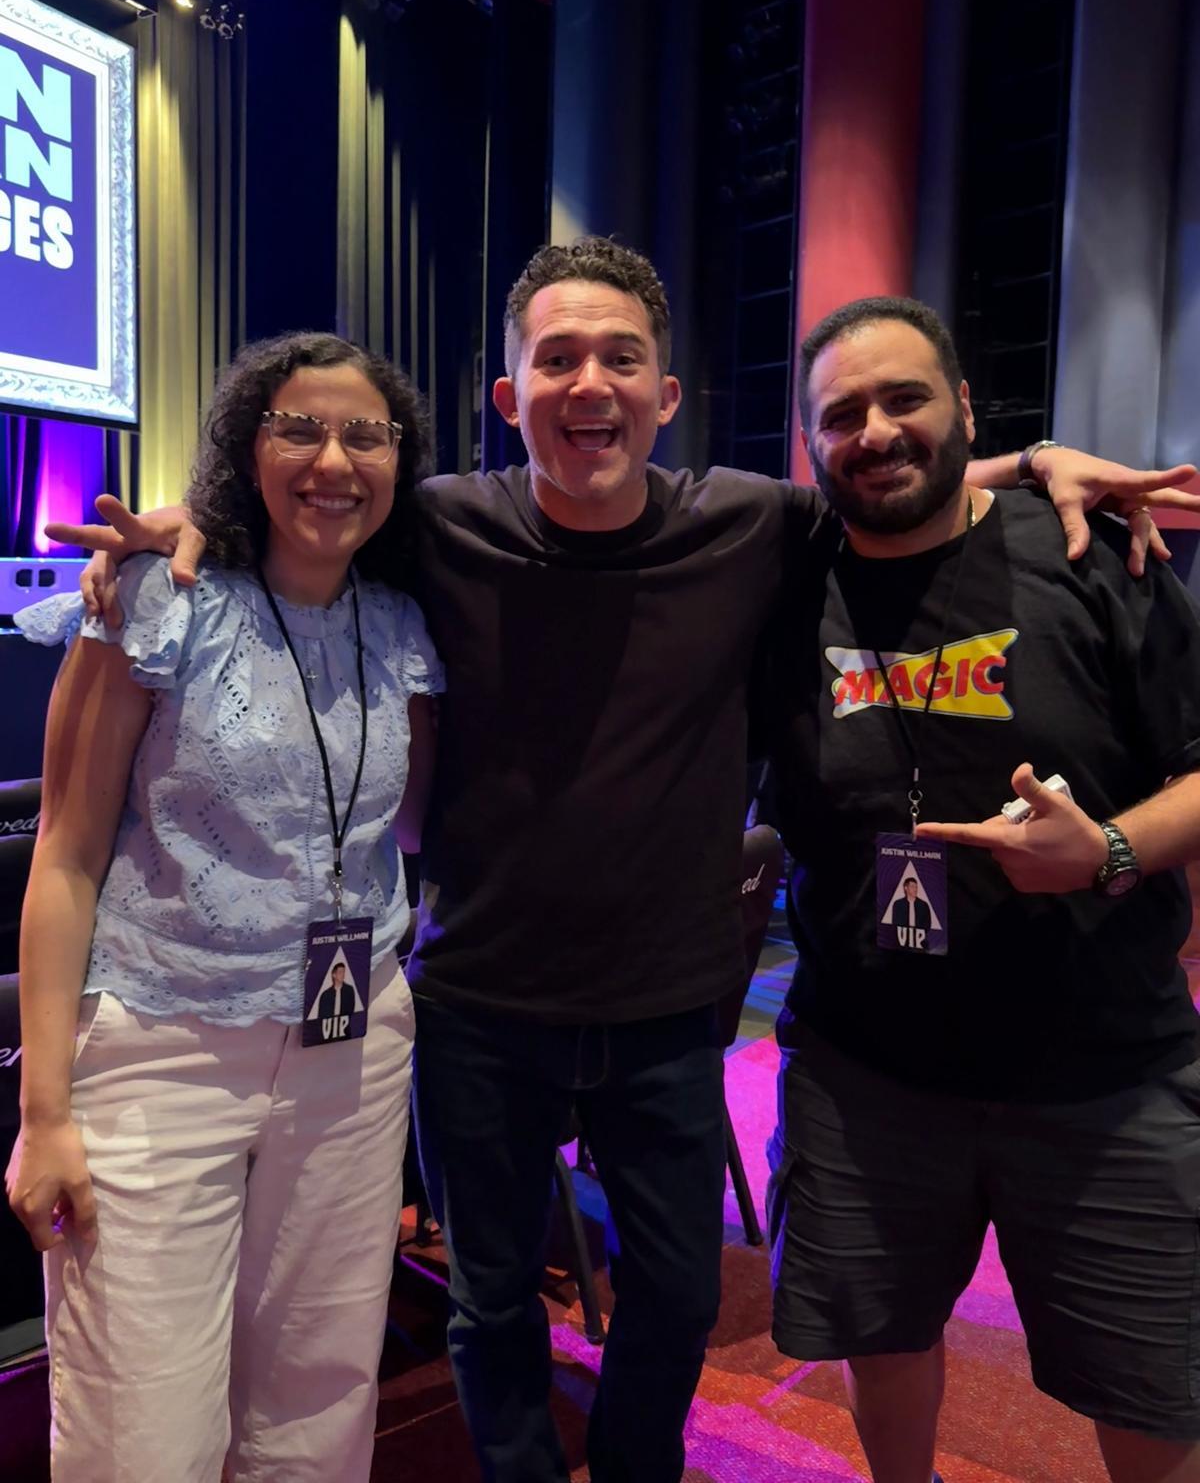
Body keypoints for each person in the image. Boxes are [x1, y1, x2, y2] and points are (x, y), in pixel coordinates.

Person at [48, 239, 1200, 1483]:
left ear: (666, 395)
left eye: (621, 358)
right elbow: (310, 512)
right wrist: (199, 522)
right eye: (556, 358)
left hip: (668, 1009)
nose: (588, 382)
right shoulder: (438, 529)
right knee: (492, 1306)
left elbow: (899, 483)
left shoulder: (750, 523)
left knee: (675, 1305)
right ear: (510, 397)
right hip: (480, 1006)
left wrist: (1030, 466)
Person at [760, 295, 1200, 1483]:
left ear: (964, 406)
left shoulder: (1089, 556)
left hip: (1104, 1073)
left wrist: (1106, 848)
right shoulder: (785, 587)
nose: (875, 430)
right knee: (882, 1342)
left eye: (905, 398)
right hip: (867, 1077)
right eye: (841, 413)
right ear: (809, 445)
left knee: (1156, 1386)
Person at [5, 332, 444, 1483]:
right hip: (163, 1044)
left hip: (354, 1047)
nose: (332, 458)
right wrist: (43, 1109)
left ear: (400, 462)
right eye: (298, 426)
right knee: (137, 1430)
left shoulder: (402, 626)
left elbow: (411, 828)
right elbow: (63, 854)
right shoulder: (166, 595)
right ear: (247, 447)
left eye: (365, 433)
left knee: (321, 1394)